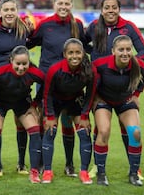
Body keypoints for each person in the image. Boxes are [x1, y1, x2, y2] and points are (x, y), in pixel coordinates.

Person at [85, 0, 144, 180]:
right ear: (102, 9)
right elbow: (80, 44)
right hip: (100, 88)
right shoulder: (94, 27)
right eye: (107, 7)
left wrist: (128, 63)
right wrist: (94, 56)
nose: (111, 10)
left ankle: (134, 168)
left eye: (114, 7)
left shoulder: (128, 27)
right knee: (101, 129)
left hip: (123, 88)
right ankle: (97, 167)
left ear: (119, 9)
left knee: (129, 129)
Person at [28, 0, 87, 177]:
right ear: (54, 4)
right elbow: (30, 43)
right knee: (44, 123)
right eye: (59, 3)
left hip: (70, 84)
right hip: (47, 83)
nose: (63, 6)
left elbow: (83, 46)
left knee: (67, 123)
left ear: (71, 4)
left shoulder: (77, 24)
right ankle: (40, 165)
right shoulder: (45, 25)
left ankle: (69, 165)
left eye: (66, 3)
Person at [91, 35, 144, 186]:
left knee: (135, 133)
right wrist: (93, 99)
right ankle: (101, 173)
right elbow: (89, 80)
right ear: (113, 51)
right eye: (121, 50)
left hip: (125, 101)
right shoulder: (100, 64)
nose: (125, 53)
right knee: (104, 131)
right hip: (104, 101)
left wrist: (137, 94)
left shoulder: (136, 64)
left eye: (128, 49)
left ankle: (133, 174)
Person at [0, 0, 33, 175]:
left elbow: (32, 43)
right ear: (0, 12)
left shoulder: (24, 28)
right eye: (6, 10)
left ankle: (21, 164)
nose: (10, 13)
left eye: (13, 9)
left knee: (21, 124)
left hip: (19, 84)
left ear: (16, 10)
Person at [41, 38, 97, 184]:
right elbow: (47, 94)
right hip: (55, 100)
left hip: (75, 99)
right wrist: (50, 115)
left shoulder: (90, 70)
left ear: (83, 53)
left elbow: (90, 94)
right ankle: (47, 171)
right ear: (65, 54)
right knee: (50, 130)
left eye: (78, 52)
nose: (74, 56)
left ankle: (83, 172)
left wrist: (85, 115)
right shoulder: (55, 69)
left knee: (84, 132)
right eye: (70, 53)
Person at [0, 45, 44, 184]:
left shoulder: (34, 72)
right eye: (18, 64)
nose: (21, 67)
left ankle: (34, 172)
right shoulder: (0, 72)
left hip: (22, 103)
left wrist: (34, 104)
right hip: (0, 103)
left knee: (35, 130)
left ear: (29, 62)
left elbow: (47, 84)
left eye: (25, 64)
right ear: (11, 60)